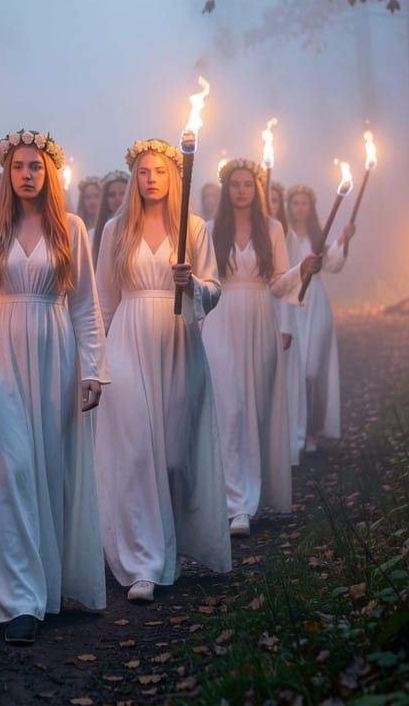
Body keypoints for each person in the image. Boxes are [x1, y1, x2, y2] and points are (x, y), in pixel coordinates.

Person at [0, 128, 107, 646]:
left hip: (55, 350)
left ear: (50, 173)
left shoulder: (72, 228)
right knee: (10, 466)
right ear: (6, 173)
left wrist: (92, 369)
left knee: (48, 468)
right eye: (18, 166)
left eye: (36, 167)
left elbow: (85, 305)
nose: (26, 174)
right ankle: (18, 599)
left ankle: (47, 582)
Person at [95, 138, 231, 604]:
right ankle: (142, 564)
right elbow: (103, 302)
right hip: (127, 342)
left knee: (173, 456)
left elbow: (214, 293)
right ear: (133, 178)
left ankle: (173, 543)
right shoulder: (116, 230)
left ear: (176, 178)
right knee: (135, 451)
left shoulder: (193, 228)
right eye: (142, 171)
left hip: (179, 344)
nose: (150, 179)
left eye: (159, 171)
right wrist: (94, 362)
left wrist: (190, 283)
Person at [201, 159, 321, 537]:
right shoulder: (208, 230)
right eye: (234, 184)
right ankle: (232, 501)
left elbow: (278, 283)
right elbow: (205, 283)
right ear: (226, 189)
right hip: (220, 320)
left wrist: (302, 270)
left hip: (259, 318)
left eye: (247, 185)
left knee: (254, 408)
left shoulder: (271, 228)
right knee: (229, 407)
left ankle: (251, 498)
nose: (241, 190)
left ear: (255, 189)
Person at [285, 185, 354, 453]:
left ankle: (311, 429)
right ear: (290, 206)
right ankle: (295, 431)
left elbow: (333, 264)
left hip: (316, 303)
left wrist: (343, 240)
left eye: (305, 203)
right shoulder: (283, 234)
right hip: (291, 302)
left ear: (310, 208)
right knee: (295, 369)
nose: (300, 208)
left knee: (311, 370)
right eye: (296, 203)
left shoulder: (318, 237)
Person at [267, 180, 300, 464]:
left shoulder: (283, 234)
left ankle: (290, 441)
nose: (270, 205)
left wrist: (286, 325)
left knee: (284, 382)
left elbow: (287, 279)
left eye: (276, 200)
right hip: (255, 306)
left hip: (279, 309)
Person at [90, 169, 129, 262]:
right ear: (105, 199)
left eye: (123, 194)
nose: (117, 199)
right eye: (112, 195)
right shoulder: (92, 234)